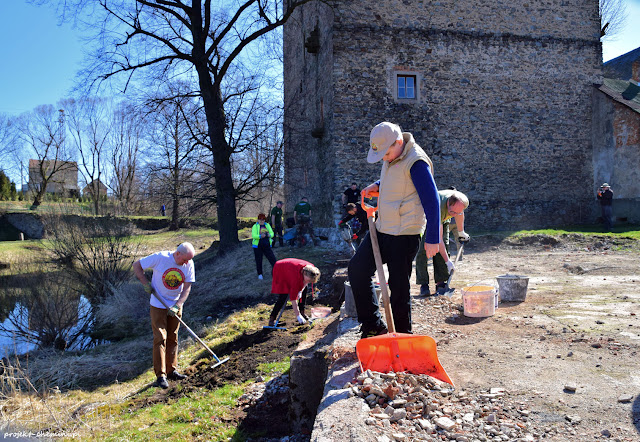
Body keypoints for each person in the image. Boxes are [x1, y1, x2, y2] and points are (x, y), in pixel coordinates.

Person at [348, 122, 441, 338]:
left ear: (399, 142)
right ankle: (373, 326)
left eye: (386, 153)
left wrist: (433, 238)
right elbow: (397, 178)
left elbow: (432, 199)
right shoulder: (393, 155)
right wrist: (378, 185)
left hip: (405, 234)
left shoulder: (417, 162)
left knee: (399, 289)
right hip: (383, 228)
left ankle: (403, 336)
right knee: (357, 269)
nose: (384, 158)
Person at [133, 242, 196, 389]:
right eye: (185, 259)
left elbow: (187, 287)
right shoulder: (161, 258)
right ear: (177, 253)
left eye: (189, 260)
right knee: (160, 338)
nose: (186, 263)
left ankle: (172, 370)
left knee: (173, 337)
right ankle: (160, 376)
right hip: (158, 304)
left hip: (175, 305)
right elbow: (137, 265)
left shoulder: (189, 263)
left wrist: (178, 305)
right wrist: (145, 283)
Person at [415, 189, 471, 296]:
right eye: (452, 212)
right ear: (448, 203)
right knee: (423, 250)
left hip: (443, 218)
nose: (454, 214)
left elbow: (460, 213)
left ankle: (441, 282)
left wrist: (461, 232)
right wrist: (448, 262)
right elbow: (438, 239)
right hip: (425, 218)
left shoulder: (463, 202)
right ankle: (424, 284)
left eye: (456, 212)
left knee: (444, 247)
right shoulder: (438, 207)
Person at [268, 258, 321, 326]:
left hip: (291, 268)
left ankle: (302, 312)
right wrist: (297, 315)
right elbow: (293, 299)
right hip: (280, 269)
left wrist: (301, 290)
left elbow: (305, 282)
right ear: (304, 273)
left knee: (305, 290)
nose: (308, 282)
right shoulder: (296, 278)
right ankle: (272, 319)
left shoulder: (312, 270)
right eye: (308, 280)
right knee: (284, 295)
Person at [252, 213, 277, 280]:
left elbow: (272, 233)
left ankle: (275, 272)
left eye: (263, 219)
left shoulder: (267, 225)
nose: (262, 221)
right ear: (258, 220)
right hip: (258, 246)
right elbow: (254, 235)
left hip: (267, 245)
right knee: (259, 260)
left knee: (273, 259)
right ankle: (260, 274)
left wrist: (269, 235)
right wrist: (260, 236)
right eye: (260, 219)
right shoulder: (255, 226)